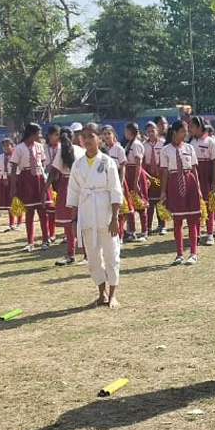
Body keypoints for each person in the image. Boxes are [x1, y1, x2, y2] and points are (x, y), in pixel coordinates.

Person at [67, 126, 124, 307]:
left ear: (99, 139)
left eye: (91, 136)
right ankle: (102, 293)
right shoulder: (78, 164)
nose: (88, 140)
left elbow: (115, 190)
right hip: (87, 214)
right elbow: (74, 193)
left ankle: (113, 293)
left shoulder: (107, 162)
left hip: (105, 212)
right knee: (92, 258)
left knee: (111, 254)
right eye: (84, 137)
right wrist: (74, 219)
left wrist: (115, 218)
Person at [161, 120, 203, 265]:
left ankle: (193, 253)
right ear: (175, 132)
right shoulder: (165, 150)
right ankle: (179, 254)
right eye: (183, 131)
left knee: (192, 220)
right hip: (174, 183)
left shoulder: (189, 148)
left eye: (186, 131)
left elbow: (194, 169)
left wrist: (198, 188)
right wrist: (163, 192)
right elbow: (165, 172)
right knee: (177, 221)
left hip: (189, 182)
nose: (186, 133)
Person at [11, 123, 51, 251]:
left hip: (39, 178)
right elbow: (13, 168)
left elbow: (44, 165)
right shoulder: (19, 148)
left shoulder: (40, 146)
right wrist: (13, 186)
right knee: (29, 212)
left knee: (42, 211)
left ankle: (46, 240)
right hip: (26, 179)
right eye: (38, 133)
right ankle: (30, 242)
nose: (40, 136)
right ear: (32, 133)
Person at [51, 131, 86, 266]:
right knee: (80, 221)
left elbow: (54, 171)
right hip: (80, 184)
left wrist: (46, 188)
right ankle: (85, 254)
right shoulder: (80, 150)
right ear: (74, 137)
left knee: (69, 222)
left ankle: (71, 254)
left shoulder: (61, 151)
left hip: (67, 184)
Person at [189, 115, 215, 245]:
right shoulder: (191, 143)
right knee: (196, 205)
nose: (190, 129)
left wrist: (214, 180)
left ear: (199, 127)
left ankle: (210, 234)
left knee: (209, 205)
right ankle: (197, 233)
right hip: (194, 174)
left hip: (207, 174)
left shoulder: (210, 141)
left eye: (192, 126)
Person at [122, 122, 148, 242]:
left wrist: (136, 181)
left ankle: (144, 231)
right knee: (130, 203)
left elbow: (138, 164)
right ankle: (131, 231)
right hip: (129, 172)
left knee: (140, 203)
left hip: (135, 173)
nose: (125, 133)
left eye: (126, 131)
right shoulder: (129, 144)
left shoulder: (136, 144)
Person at [143, 120, 167, 236]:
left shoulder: (163, 143)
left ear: (157, 131)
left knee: (161, 200)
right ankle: (148, 226)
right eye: (148, 131)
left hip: (161, 173)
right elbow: (143, 163)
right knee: (151, 202)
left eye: (153, 131)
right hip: (149, 174)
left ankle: (162, 225)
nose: (151, 133)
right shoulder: (144, 146)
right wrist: (147, 177)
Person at [0, 138, 22, 231]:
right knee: (9, 203)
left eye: (8, 145)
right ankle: (11, 223)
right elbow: (1, 169)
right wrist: (4, 179)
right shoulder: (1, 156)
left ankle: (19, 223)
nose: (6, 147)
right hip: (6, 179)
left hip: (16, 179)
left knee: (17, 201)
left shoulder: (16, 155)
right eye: (4, 146)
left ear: (13, 146)